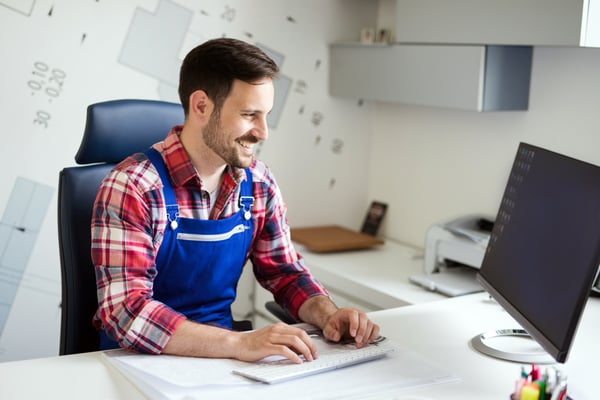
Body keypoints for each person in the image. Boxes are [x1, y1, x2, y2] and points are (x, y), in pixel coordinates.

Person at [91, 37, 379, 364]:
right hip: (136, 364)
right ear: (201, 106)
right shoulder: (133, 187)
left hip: (222, 363)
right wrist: (239, 344)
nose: (262, 132)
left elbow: (285, 272)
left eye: (265, 115)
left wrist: (327, 314)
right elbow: (127, 313)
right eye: (249, 114)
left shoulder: (259, 183)